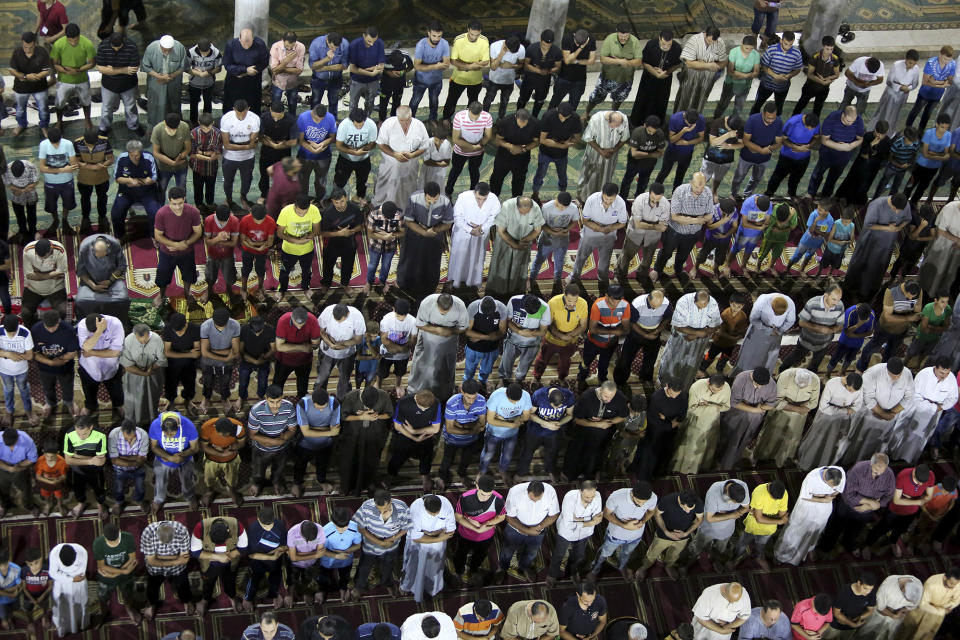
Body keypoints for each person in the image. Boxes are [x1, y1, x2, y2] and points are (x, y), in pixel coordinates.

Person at [818, 454, 896, 555]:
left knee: (855, 531)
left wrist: (877, 504)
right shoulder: (858, 468)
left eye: (883, 470)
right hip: (846, 506)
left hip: (866, 511)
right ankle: (825, 547)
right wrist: (870, 502)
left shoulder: (889, 474)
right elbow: (849, 494)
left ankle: (848, 544)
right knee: (834, 528)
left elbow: (889, 494)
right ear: (871, 463)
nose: (879, 472)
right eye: (877, 469)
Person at [841, 359, 915, 465]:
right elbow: (868, 398)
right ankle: (850, 461)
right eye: (893, 375)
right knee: (859, 441)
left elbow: (908, 397)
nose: (897, 378)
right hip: (869, 415)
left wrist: (891, 413)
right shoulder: (873, 373)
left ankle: (872, 462)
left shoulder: (907, 373)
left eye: (899, 375)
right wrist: (882, 413)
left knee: (878, 442)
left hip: (890, 417)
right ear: (887, 370)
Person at [587, 481, 656, 580]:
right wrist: (624, 525)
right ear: (632, 494)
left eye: (644, 502)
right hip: (615, 535)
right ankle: (594, 570)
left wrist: (643, 521)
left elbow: (651, 511)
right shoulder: (617, 496)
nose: (641, 505)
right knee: (605, 553)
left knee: (627, 553)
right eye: (639, 501)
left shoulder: (652, 497)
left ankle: (623, 566)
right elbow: (606, 514)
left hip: (636, 536)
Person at [395, 183, 453, 298]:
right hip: (415, 233)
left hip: (434, 235)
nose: (432, 202)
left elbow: (448, 224)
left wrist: (434, 230)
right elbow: (408, 221)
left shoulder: (445, 201)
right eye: (429, 199)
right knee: (409, 259)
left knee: (432, 262)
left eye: (435, 199)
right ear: (424, 194)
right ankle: (402, 283)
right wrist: (424, 232)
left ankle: (430, 287)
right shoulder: (414, 198)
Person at [408, 293, 469, 401]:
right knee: (423, 363)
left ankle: (444, 393)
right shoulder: (427, 302)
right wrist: (438, 330)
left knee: (446, 365)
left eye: (447, 311)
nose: (444, 313)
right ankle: (415, 390)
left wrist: (449, 331)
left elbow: (463, 327)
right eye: (441, 311)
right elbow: (419, 324)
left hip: (449, 337)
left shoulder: (460, 305)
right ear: (436, 303)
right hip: (428, 333)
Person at [653, 173, 714, 280]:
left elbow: (709, 214)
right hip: (675, 230)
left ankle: (678, 269)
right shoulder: (680, 191)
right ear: (690, 182)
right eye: (696, 187)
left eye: (702, 187)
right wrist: (697, 220)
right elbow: (675, 217)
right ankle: (657, 269)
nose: (699, 190)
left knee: (684, 253)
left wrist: (687, 219)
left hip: (694, 232)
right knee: (666, 252)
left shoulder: (708, 192)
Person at [754, 368, 821, 467]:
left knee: (790, 440)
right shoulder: (785, 376)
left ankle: (780, 462)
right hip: (780, 412)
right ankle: (759, 458)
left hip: (799, 415)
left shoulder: (815, 380)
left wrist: (799, 407)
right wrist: (796, 408)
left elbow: (814, 403)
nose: (801, 388)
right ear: (794, 378)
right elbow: (776, 402)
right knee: (771, 436)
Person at [796, 373, 864, 470]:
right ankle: (807, 462)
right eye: (850, 390)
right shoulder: (832, 384)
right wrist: (844, 411)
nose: (852, 393)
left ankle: (825, 464)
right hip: (826, 417)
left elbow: (857, 406)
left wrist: (846, 411)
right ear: (846, 382)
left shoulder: (857, 388)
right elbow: (824, 407)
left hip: (843, 420)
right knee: (818, 439)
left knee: (833, 444)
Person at [352, 489, 411, 597]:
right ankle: (358, 586)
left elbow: (406, 528)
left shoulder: (402, 508)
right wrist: (379, 542)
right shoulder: (366, 507)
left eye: (385, 510)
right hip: (370, 546)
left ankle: (387, 583)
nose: (382, 513)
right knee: (365, 566)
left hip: (391, 547)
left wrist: (392, 538)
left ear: (391, 502)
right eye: (379, 510)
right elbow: (360, 528)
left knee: (388, 566)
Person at [497, 480, 560, 582]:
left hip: (538, 529)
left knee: (531, 552)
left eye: (538, 499)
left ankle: (525, 566)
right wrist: (527, 531)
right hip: (515, 528)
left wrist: (539, 527)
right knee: (507, 551)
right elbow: (509, 517)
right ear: (527, 490)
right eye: (532, 499)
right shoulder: (515, 492)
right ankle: (502, 568)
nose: (535, 502)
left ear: (543, 492)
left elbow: (554, 514)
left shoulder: (550, 491)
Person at [715, 367, 778, 470]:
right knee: (728, 436)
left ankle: (732, 463)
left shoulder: (771, 384)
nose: (760, 387)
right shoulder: (742, 378)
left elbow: (771, 404)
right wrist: (754, 410)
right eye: (758, 385)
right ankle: (718, 460)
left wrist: (761, 408)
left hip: (755, 417)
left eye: (763, 385)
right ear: (752, 376)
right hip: (737, 412)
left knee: (744, 439)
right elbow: (734, 402)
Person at [152, 186, 203, 309]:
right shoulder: (162, 213)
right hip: (167, 252)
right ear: (169, 200)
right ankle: (161, 294)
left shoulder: (193, 212)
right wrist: (175, 245)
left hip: (187, 252)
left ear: (184, 199)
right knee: (162, 277)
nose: (178, 207)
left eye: (180, 203)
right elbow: (158, 235)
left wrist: (184, 244)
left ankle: (187, 292)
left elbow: (198, 232)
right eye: (174, 204)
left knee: (189, 275)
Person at [659, 290, 721, 389]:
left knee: (692, 362)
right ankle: (665, 384)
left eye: (705, 306)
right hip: (681, 337)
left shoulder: (713, 304)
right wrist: (697, 333)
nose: (702, 308)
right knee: (672, 361)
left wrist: (696, 335)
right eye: (699, 306)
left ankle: (685, 386)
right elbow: (677, 326)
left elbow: (716, 325)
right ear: (694, 300)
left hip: (700, 338)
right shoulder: (683, 302)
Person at [778, 285, 846, 374]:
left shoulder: (840, 306)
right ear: (826, 295)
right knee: (795, 357)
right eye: (834, 299)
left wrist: (831, 330)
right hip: (806, 340)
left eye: (839, 299)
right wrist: (818, 328)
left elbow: (840, 325)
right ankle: (781, 371)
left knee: (815, 364)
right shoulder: (812, 303)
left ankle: (810, 376)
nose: (837, 303)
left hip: (824, 343)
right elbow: (801, 322)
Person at [570, 183, 627, 288]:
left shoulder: (621, 203)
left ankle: (602, 280)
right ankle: (574, 277)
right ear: (602, 193)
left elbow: (622, 223)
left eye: (611, 200)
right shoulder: (592, 199)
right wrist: (600, 229)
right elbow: (585, 221)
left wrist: (610, 228)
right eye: (606, 199)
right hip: (591, 229)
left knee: (604, 262)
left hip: (609, 233)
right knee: (581, 257)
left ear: (616, 196)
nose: (608, 202)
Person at [401, 493, 456, 603]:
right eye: (432, 514)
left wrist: (429, 534)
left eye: (438, 513)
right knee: (412, 566)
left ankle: (433, 589)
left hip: (438, 545)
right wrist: (438, 536)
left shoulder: (445, 504)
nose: (436, 515)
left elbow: (450, 532)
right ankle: (406, 586)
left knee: (434, 568)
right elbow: (416, 538)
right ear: (425, 508)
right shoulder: (415, 509)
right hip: (417, 546)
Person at [373, 107, 430, 210]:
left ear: (411, 116)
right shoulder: (388, 124)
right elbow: (381, 144)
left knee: (408, 186)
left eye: (407, 120)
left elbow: (425, 146)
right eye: (401, 121)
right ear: (397, 117)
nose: (404, 123)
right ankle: (382, 206)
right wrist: (395, 154)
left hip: (410, 163)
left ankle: (407, 207)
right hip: (390, 162)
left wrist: (413, 155)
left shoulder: (419, 125)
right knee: (386, 185)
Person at [672, 375, 732, 474]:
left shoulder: (726, 388)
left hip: (712, 423)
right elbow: (692, 409)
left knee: (706, 447)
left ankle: (700, 467)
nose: (716, 392)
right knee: (691, 446)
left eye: (719, 390)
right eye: (713, 390)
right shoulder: (697, 387)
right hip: (696, 422)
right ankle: (682, 469)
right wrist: (713, 408)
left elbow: (726, 407)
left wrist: (710, 405)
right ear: (708, 383)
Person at [631, 377, 688, 481]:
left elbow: (681, 416)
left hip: (669, 432)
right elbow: (653, 419)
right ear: (667, 386)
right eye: (672, 394)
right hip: (654, 432)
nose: (674, 397)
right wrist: (670, 424)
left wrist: (666, 419)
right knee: (649, 455)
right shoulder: (656, 398)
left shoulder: (682, 397)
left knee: (665, 453)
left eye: (677, 395)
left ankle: (658, 474)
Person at [547, 480, 602, 586]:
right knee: (559, 554)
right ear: (580, 491)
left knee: (579, 554)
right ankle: (552, 574)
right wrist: (590, 521)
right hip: (566, 533)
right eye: (587, 497)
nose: (590, 500)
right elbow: (569, 524)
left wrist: (577, 519)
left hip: (585, 533)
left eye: (592, 496)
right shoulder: (570, 497)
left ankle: (572, 570)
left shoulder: (597, 496)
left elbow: (598, 518)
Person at [516, 385, 576, 481]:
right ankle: (520, 473)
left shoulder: (569, 396)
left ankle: (551, 471)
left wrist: (559, 423)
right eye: (554, 407)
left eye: (559, 407)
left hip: (554, 431)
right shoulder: (539, 395)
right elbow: (530, 414)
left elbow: (570, 415)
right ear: (548, 399)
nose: (556, 410)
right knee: (527, 452)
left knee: (552, 453)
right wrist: (545, 423)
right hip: (535, 430)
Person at [531, 283, 588, 384]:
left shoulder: (583, 304)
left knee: (565, 362)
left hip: (570, 339)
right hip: (551, 338)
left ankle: (562, 378)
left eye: (575, 301)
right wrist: (561, 336)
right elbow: (548, 324)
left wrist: (570, 335)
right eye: (569, 300)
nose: (572, 304)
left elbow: (583, 325)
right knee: (542, 359)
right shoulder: (553, 302)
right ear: (564, 295)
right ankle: (536, 377)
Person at [247, 385, 297, 496]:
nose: (275, 406)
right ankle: (257, 483)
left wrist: (284, 438)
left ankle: (276, 481)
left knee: (279, 468)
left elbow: (292, 429)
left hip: (282, 448)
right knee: (258, 470)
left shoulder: (289, 407)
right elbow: (252, 435)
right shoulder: (256, 410)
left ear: (282, 398)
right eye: (272, 402)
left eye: (278, 401)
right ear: (266, 398)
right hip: (261, 448)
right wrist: (275, 442)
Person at [687, 479, 748, 571]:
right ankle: (690, 561)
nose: (734, 505)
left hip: (727, 528)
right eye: (733, 502)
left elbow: (745, 507)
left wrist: (734, 513)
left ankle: (716, 560)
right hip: (709, 528)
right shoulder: (713, 493)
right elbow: (710, 518)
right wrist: (732, 515)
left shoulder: (742, 487)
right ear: (727, 493)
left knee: (720, 548)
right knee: (698, 546)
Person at [575, 287, 629, 387]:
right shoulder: (598, 305)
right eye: (613, 299)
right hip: (593, 342)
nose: (616, 303)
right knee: (586, 362)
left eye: (619, 300)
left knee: (604, 364)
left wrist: (615, 337)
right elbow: (592, 329)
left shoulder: (625, 305)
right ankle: (581, 378)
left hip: (610, 344)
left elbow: (625, 328)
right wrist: (615, 331)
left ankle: (602, 378)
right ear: (607, 296)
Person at [615, 183, 669, 283]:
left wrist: (647, 225)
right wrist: (655, 226)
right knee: (626, 256)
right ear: (649, 193)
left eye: (658, 200)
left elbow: (663, 228)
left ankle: (642, 274)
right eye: (653, 199)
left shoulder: (665, 204)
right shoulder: (640, 200)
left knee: (648, 259)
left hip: (653, 237)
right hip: (635, 233)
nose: (655, 202)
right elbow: (638, 225)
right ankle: (620, 274)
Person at [806, 107, 865, 198]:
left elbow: (860, 139)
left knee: (833, 178)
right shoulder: (832, 118)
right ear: (843, 115)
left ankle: (825, 196)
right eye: (848, 121)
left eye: (852, 122)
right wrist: (841, 147)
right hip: (827, 154)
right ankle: (811, 193)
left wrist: (850, 147)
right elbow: (824, 140)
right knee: (817, 174)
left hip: (843, 157)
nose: (850, 124)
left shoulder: (858, 120)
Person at [479, 383, 533, 483]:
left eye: (517, 401)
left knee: (507, 455)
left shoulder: (525, 396)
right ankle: (482, 471)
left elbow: (526, 417)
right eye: (511, 401)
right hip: (493, 432)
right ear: (506, 394)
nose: (514, 404)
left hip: (512, 434)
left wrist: (502, 418)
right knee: (487, 454)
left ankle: (502, 470)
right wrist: (512, 424)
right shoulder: (496, 396)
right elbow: (490, 420)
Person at [584, 23, 641, 117]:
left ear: (629, 33)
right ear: (617, 32)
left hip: (625, 79)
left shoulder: (635, 41)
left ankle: (613, 114)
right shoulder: (610, 39)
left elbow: (638, 61)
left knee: (619, 99)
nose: (623, 38)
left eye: (626, 35)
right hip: (607, 77)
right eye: (621, 35)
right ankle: (586, 113)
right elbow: (603, 59)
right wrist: (619, 61)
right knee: (595, 97)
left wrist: (626, 62)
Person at [140, 520, 194, 618]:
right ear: (157, 534)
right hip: (155, 570)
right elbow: (151, 561)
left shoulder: (182, 530)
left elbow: (185, 559)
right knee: (152, 589)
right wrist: (175, 559)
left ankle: (186, 601)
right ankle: (152, 604)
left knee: (183, 586)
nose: (167, 545)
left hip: (177, 569)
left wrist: (158, 557)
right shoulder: (148, 532)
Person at [731, 481, 789, 570]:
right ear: (768, 489)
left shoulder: (783, 493)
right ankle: (734, 559)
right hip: (753, 527)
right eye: (773, 498)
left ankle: (759, 557)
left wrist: (764, 516)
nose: (775, 500)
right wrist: (779, 521)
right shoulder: (759, 492)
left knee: (761, 545)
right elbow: (759, 519)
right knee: (742, 544)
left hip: (769, 529)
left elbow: (782, 515)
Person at [95, 31, 144, 136]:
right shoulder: (103, 46)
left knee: (130, 107)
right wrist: (123, 70)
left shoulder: (131, 47)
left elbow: (133, 69)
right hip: (109, 85)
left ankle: (134, 126)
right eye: (113, 47)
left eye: (118, 47)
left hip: (128, 84)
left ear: (124, 42)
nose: (116, 49)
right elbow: (100, 68)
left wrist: (111, 69)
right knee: (106, 108)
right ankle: (104, 128)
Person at [111, 139, 161, 241]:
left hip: (147, 192)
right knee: (116, 213)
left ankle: (154, 235)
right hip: (126, 193)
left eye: (137, 155)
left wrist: (135, 182)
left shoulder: (148, 157)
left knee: (155, 212)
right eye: (132, 155)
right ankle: (119, 235)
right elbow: (117, 178)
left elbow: (153, 178)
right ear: (128, 153)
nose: (135, 158)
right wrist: (128, 180)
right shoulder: (122, 158)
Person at [77, 313, 124, 417]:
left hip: (111, 368)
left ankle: (118, 406)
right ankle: (91, 406)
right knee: (89, 392)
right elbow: (86, 348)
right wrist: (98, 332)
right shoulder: (82, 325)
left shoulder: (115, 324)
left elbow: (115, 352)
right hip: (89, 368)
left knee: (117, 391)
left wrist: (93, 353)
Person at [274, 196, 320, 301]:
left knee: (306, 270)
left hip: (307, 248)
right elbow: (280, 233)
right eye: (299, 212)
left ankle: (306, 287)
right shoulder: (285, 212)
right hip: (289, 250)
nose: (302, 214)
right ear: (295, 206)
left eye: (305, 212)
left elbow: (317, 230)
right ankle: (281, 289)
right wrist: (296, 241)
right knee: (285, 271)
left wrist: (307, 238)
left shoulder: (314, 210)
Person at [733, 293, 794, 374]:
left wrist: (780, 330)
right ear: (771, 305)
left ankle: (763, 376)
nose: (775, 316)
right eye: (775, 313)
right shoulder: (762, 301)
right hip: (758, 330)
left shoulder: (790, 303)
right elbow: (753, 319)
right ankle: (743, 374)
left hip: (776, 334)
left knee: (768, 358)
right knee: (749, 355)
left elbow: (790, 321)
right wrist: (768, 330)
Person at [532, 105, 582, 201]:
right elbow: (542, 140)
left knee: (562, 175)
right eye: (561, 117)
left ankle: (562, 194)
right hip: (545, 152)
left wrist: (568, 142)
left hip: (562, 155)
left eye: (565, 118)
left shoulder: (575, 118)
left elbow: (577, 138)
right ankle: (535, 193)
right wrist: (562, 145)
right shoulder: (548, 116)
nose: (562, 120)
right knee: (540, 174)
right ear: (557, 111)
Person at [442, 22, 491, 120]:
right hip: (458, 78)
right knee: (452, 100)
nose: (474, 37)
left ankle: (470, 119)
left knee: (473, 101)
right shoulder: (459, 40)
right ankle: (446, 119)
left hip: (475, 79)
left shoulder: (484, 41)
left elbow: (485, 61)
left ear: (480, 32)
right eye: (472, 34)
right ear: (468, 29)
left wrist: (465, 67)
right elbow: (453, 61)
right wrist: (474, 65)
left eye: (477, 35)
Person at [119, 324, 167, 425]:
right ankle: (131, 421)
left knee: (151, 398)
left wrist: (151, 369)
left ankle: (151, 420)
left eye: (145, 339)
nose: (142, 342)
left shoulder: (157, 339)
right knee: (132, 400)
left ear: (148, 333)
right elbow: (127, 365)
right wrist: (144, 373)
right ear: (135, 335)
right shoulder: (128, 340)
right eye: (139, 340)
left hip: (153, 374)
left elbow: (161, 360)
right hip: (134, 375)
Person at [243, 506, 289, 610]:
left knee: (275, 577)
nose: (268, 528)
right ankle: (248, 597)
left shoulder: (280, 525)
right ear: (258, 519)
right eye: (265, 526)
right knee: (255, 578)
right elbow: (252, 555)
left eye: (270, 524)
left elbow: (284, 545)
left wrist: (277, 552)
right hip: (259, 560)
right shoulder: (253, 529)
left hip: (275, 557)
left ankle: (274, 594)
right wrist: (271, 557)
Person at [578, 111, 630, 201]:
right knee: (589, 174)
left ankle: (601, 197)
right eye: (614, 126)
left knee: (607, 175)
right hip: (594, 152)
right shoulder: (596, 119)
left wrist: (614, 150)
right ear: (608, 121)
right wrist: (601, 151)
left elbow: (624, 138)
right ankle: (583, 198)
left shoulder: (623, 118)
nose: (615, 129)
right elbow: (588, 138)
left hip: (611, 153)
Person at [93, 522, 139, 623]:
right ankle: (103, 613)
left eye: (116, 540)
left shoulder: (127, 537)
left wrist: (116, 573)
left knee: (128, 594)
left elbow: (132, 559)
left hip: (122, 575)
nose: (114, 543)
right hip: (109, 576)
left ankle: (129, 609)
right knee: (102, 596)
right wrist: (123, 571)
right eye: (111, 541)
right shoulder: (98, 543)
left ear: (119, 532)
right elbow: (102, 566)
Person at [319, 190, 363, 294]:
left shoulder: (355, 209)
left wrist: (350, 231)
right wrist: (339, 233)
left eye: (342, 201)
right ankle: (326, 284)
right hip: (331, 244)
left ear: (346, 198)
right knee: (328, 266)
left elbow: (360, 225)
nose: (340, 205)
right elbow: (323, 233)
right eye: (336, 202)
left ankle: (345, 284)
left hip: (349, 243)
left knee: (348, 266)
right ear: (332, 201)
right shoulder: (328, 213)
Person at [489, 111, 541, 198]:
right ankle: (493, 197)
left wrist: (524, 149)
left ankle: (516, 198)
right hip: (504, 153)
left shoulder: (536, 124)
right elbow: (498, 139)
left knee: (519, 179)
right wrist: (511, 147)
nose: (522, 125)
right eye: (520, 122)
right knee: (497, 176)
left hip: (523, 154)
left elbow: (537, 141)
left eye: (525, 123)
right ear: (516, 117)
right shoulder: (506, 122)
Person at [220, 99, 261, 209]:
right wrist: (246, 146)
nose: (242, 117)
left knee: (247, 180)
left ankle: (243, 197)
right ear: (234, 110)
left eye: (244, 114)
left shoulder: (254, 119)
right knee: (228, 181)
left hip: (247, 157)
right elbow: (227, 145)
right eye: (239, 115)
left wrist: (238, 146)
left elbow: (253, 143)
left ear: (248, 109)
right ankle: (228, 198)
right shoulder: (226, 119)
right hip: (229, 157)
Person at [898, 569, 960, 640]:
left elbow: (957, 600)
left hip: (938, 614)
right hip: (921, 612)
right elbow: (923, 604)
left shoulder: (957, 584)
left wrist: (948, 607)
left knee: (927, 636)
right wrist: (942, 611)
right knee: (907, 633)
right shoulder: (932, 584)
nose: (954, 586)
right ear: (944, 578)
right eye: (951, 583)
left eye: (956, 584)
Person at [37, 127, 78, 233]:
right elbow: (42, 168)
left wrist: (53, 170)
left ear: (61, 137)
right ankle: (55, 220)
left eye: (57, 143)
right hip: (50, 182)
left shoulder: (68, 144)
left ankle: (64, 220)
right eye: (52, 143)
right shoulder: (43, 145)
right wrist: (63, 169)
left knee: (68, 203)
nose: (55, 146)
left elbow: (73, 166)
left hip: (67, 181)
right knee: (51, 205)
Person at [21, 238, 67, 331]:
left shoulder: (59, 250)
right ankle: (33, 331)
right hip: (33, 288)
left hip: (55, 288)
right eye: (38, 256)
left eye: (44, 257)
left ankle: (55, 330)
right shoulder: (28, 250)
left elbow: (60, 273)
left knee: (61, 312)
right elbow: (29, 275)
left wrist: (38, 275)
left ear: (50, 250)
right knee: (25, 313)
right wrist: (51, 274)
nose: (41, 259)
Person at [10, 32, 52, 136]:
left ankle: (44, 126)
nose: (28, 50)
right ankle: (21, 124)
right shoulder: (17, 52)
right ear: (22, 44)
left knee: (43, 109)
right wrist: (25, 77)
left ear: (36, 44)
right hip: (21, 87)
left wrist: (36, 76)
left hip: (39, 86)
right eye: (25, 47)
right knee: (20, 109)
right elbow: (12, 70)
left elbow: (47, 70)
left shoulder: (42, 52)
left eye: (31, 47)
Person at [72, 128, 112, 235]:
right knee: (85, 198)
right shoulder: (77, 143)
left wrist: (102, 165)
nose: (91, 146)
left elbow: (111, 159)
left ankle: (102, 218)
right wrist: (87, 166)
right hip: (85, 174)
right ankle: (85, 219)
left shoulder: (104, 141)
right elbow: (75, 160)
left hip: (101, 174)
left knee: (102, 196)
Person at [141, 35, 187, 127]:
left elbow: (182, 67)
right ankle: (155, 126)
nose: (166, 52)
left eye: (169, 50)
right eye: (164, 49)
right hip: (156, 81)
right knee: (156, 103)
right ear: (160, 46)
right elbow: (146, 66)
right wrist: (160, 77)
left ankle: (175, 124)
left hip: (173, 80)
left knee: (174, 103)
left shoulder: (180, 48)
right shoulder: (151, 48)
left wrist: (170, 77)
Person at [199, 416, 246, 505]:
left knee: (232, 478)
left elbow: (241, 443)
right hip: (212, 459)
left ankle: (232, 490)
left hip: (231, 457)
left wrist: (231, 448)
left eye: (229, 434)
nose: (226, 436)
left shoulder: (238, 426)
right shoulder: (207, 427)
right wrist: (221, 454)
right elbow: (203, 446)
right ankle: (210, 491)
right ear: (215, 429)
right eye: (223, 434)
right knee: (209, 478)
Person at [334, 108, 378, 203]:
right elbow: (339, 145)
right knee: (339, 180)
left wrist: (363, 149)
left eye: (361, 125)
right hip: (345, 158)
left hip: (363, 159)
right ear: (351, 120)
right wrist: (353, 152)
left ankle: (360, 197)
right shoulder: (344, 125)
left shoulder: (371, 125)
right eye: (356, 125)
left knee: (362, 181)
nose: (359, 127)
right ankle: (336, 198)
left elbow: (373, 144)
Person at [0, 315, 36, 429]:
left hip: (21, 370)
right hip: (4, 370)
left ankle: (29, 411)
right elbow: (22, 355)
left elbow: (30, 356)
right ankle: (9, 412)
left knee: (24, 389)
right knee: (8, 389)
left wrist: (16, 356)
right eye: (8, 332)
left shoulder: (25, 332)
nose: (11, 335)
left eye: (13, 332)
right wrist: (9, 354)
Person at [258, 104, 297, 207]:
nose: (276, 119)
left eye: (278, 117)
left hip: (283, 152)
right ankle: (264, 195)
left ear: (283, 112)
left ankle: (283, 196)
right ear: (270, 110)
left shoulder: (291, 120)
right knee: (264, 175)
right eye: (274, 116)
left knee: (284, 176)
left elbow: (294, 141)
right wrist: (272, 145)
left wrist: (282, 145)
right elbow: (260, 137)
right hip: (267, 150)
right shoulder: (264, 117)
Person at [699, 292, 748, 375]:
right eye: (734, 305)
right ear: (730, 303)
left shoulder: (743, 316)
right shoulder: (725, 314)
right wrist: (734, 338)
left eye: (739, 307)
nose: (735, 308)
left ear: (742, 306)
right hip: (719, 341)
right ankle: (702, 369)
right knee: (710, 355)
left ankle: (719, 368)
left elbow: (742, 330)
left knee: (725, 357)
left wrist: (739, 336)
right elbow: (720, 332)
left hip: (731, 343)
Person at [223, 29, 269, 116]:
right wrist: (245, 70)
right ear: (239, 39)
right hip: (235, 81)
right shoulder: (231, 45)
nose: (247, 46)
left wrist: (249, 72)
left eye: (249, 42)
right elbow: (227, 65)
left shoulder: (260, 44)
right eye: (244, 43)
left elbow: (264, 62)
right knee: (231, 106)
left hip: (253, 81)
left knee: (253, 106)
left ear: (253, 39)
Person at [410, 22, 451, 122]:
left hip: (436, 80)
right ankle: (410, 120)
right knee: (415, 102)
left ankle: (432, 121)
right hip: (421, 80)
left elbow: (446, 64)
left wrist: (430, 66)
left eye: (439, 36)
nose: (436, 39)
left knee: (434, 102)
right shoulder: (421, 44)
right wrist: (436, 66)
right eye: (434, 36)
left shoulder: (444, 43)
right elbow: (417, 66)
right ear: (429, 33)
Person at [296, 104, 336, 202]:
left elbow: (333, 137)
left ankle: (320, 200)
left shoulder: (330, 118)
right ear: (312, 113)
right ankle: (303, 201)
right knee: (302, 180)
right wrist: (312, 149)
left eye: (321, 119)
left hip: (324, 156)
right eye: (316, 119)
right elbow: (301, 140)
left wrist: (321, 144)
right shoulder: (303, 117)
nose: (319, 121)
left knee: (321, 181)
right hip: (305, 156)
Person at [919, 202, 960, 297]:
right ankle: (925, 295)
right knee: (933, 273)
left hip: (955, 253)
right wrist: (957, 240)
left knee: (949, 275)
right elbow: (941, 231)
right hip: (941, 248)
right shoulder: (950, 209)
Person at [364, 200, 404, 294]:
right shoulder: (374, 213)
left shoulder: (399, 215)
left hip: (390, 246)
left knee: (386, 266)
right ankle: (369, 282)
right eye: (386, 217)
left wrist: (392, 235)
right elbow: (370, 234)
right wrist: (384, 236)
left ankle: (382, 282)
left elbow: (402, 231)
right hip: (375, 244)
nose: (388, 220)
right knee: (372, 266)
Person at [714, 36, 760, 120]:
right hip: (730, 83)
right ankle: (716, 119)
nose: (749, 51)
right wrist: (746, 75)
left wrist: (739, 74)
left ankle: (733, 123)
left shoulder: (755, 54)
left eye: (751, 49)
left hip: (745, 85)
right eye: (746, 48)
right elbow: (730, 71)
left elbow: (756, 72)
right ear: (742, 43)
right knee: (723, 103)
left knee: (739, 106)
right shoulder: (734, 52)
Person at [49, 543, 89, 636]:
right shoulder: (54, 552)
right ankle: (62, 627)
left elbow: (81, 575)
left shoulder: (82, 552)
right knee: (61, 605)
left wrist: (68, 577)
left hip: (78, 584)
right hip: (61, 584)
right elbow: (53, 573)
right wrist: (71, 579)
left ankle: (81, 624)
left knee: (80, 604)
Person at [483, 36, 526, 120]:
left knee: (504, 102)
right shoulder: (495, 46)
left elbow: (521, 65)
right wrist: (501, 54)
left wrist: (511, 66)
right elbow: (493, 67)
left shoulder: (521, 49)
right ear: (506, 46)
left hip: (509, 81)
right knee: (488, 100)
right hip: (494, 80)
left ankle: (501, 119)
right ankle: (484, 118)